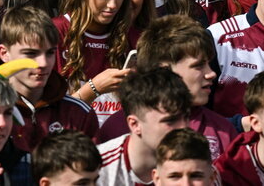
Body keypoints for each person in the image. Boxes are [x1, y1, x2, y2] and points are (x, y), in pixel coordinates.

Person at [99, 15, 238, 158]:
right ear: (163, 70)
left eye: (209, 64)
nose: (211, 74)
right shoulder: (117, 128)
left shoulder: (223, 131)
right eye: (198, 66)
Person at [54, 0, 138, 126]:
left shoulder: (129, 34)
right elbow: (49, 119)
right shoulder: (54, 32)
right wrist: (94, 88)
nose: (113, 4)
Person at [0, 6, 99, 152]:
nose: (43, 63)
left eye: (50, 53)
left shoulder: (78, 113)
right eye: (31, 53)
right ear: (4, 53)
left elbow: (93, 172)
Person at [97, 68, 192, 185]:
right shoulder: (96, 169)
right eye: (170, 121)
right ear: (135, 124)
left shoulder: (198, 166)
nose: (184, 127)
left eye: (187, 117)